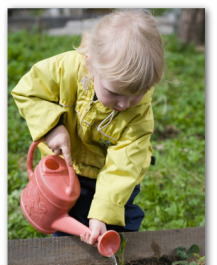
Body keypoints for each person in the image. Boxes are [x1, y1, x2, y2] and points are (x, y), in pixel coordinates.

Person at [12, 9, 164, 247]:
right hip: (67, 170)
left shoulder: (139, 112)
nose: (124, 104)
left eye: (137, 94)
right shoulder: (65, 70)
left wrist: (102, 212)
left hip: (111, 175)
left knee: (117, 218)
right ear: (91, 64)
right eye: (114, 93)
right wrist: (52, 127)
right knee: (69, 223)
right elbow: (28, 91)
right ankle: (67, 257)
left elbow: (124, 165)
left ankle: (120, 248)